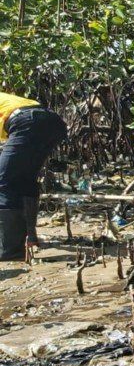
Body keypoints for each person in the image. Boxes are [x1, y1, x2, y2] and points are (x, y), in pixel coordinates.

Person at [0, 92, 67, 260]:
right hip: (51, 122)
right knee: (24, 180)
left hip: (26, 121)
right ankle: (30, 238)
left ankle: (10, 252)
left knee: (4, 183)